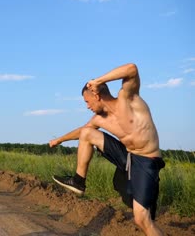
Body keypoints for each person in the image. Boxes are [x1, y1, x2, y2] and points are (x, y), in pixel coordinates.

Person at [49, 63, 165, 236]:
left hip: (146, 161)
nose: (87, 106)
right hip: (128, 157)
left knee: (141, 219)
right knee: (87, 133)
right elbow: (82, 132)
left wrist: (99, 80)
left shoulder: (128, 98)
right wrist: (60, 139)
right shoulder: (99, 119)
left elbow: (132, 69)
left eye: (87, 101)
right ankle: (78, 181)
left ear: (96, 94)